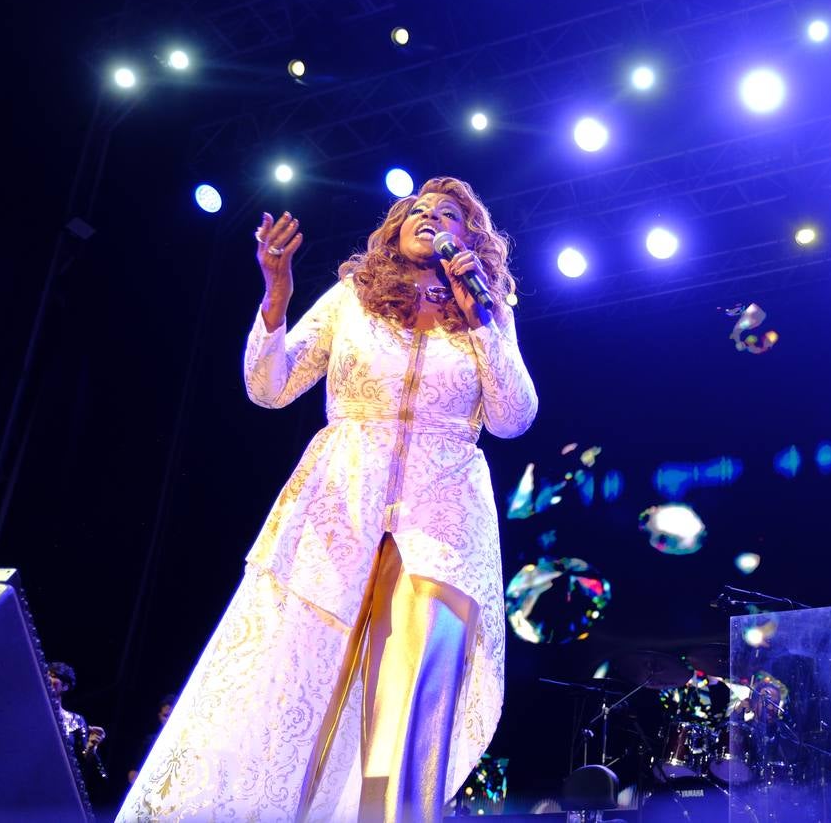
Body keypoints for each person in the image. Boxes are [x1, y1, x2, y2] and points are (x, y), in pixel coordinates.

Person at [120, 177, 538, 821]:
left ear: (471, 238)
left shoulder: (488, 306)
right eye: (418, 210)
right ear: (395, 229)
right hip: (337, 512)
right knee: (293, 686)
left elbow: (513, 418)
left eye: (448, 214)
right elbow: (271, 387)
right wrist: (276, 297)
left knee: (416, 700)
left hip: (446, 523)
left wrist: (483, 316)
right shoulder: (354, 298)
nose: (430, 218)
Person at [46, 661, 108, 792]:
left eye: (53, 675)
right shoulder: (31, 712)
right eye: (46, 674)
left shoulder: (76, 720)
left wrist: (92, 747)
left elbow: (83, 761)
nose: (47, 678)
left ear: (65, 686)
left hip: (61, 785)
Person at [127, 694, 176, 785]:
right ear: (160, 716)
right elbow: (133, 774)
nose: (169, 719)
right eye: (166, 716)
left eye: (172, 715)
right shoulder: (150, 741)